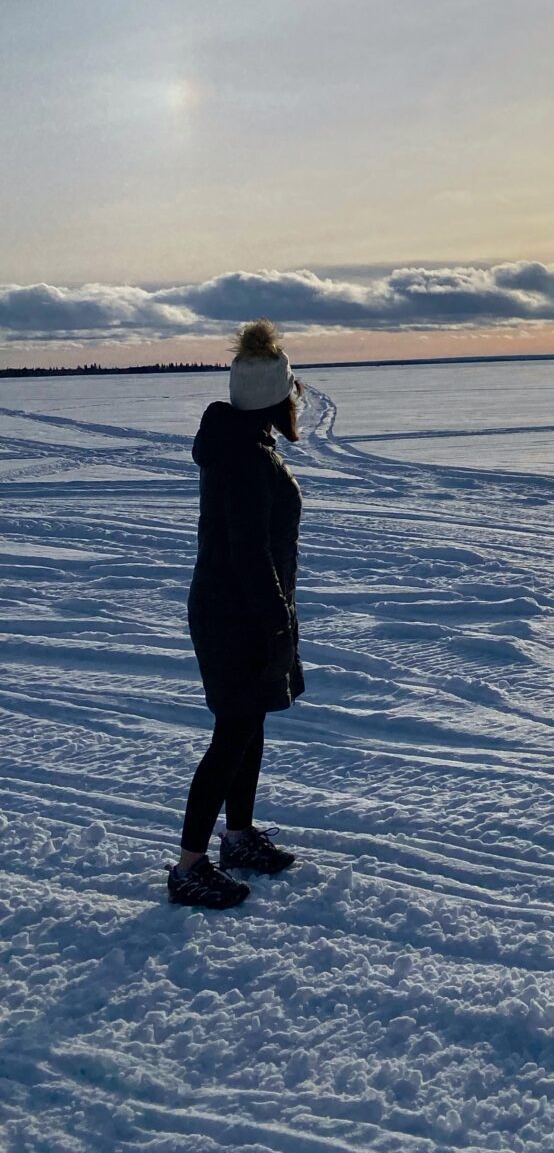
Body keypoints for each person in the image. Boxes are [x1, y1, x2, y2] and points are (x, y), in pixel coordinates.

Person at [168, 319, 307, 909]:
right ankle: (189, 867)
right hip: (239, 615)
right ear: (276, 396)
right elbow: (248, 553)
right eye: (292, 389)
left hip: (239, 608)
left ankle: (239, 835)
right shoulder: (248, 459)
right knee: (233, 733)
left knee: (250, 724)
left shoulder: (242, 445)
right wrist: (276, 622)